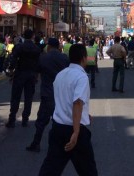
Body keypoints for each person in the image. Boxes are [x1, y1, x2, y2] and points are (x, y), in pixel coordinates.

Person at [38, 44, 98, 176]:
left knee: (50, 169)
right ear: (84, 58)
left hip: (58, 129)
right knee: (88, 171)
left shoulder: (60, 75)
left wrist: (84, 114)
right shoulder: (81, 77)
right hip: (74, 130)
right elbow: (77, 102)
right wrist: (76, 132)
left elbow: (64, 99)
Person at [26, 37, 69, 153]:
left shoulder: (43, 58)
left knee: (41, 121)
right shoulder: (64, 58)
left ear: (49, 46)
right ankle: (63, 145)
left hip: (48, 93)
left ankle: (36, 143)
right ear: (59, 47)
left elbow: (36, 71)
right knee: (61, 121)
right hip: (61, 95)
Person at [5, 29, 42, 128]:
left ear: (24, 36)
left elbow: (13, 60)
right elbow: (38, 63)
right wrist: (37, 75)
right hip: (31, 75)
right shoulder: (36, 48)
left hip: (20, 73)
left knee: (15, 97)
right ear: (32, 36)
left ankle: (12, 119)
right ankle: (25, 119)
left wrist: (11, 70)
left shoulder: (19, 47)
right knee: (28, 97)